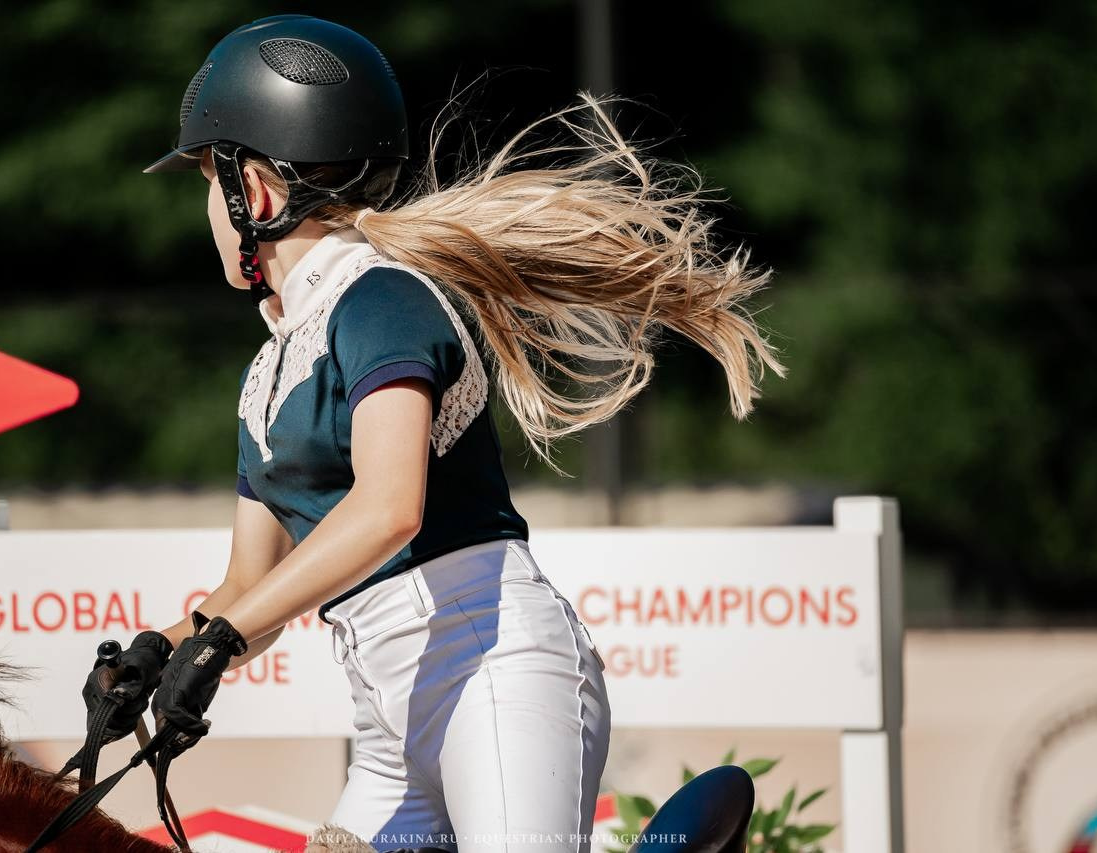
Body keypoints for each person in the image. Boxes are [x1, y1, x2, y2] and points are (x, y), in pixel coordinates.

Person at [80, 14, 783, 853]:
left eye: (205, 179)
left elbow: (389, 510)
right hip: (388, 711)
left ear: (254, 192)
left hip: (489, 668)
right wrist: (164, 649)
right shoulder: (267, 374)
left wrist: (221, 641)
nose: (207, 210)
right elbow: (248, 583)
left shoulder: (383, 301)